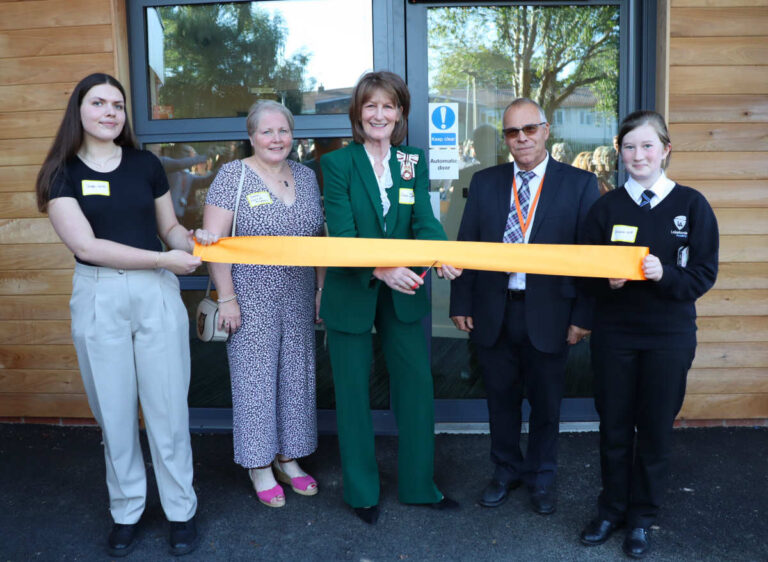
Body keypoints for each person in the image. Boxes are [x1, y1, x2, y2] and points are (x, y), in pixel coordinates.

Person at [35, 73, 215, 557]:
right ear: (80, 110)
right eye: (99, 103)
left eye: (118, 104)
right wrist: (162, 257)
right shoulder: (60, 174)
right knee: (115, 415)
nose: (110, 112)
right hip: (100, 297)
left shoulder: (145, 165)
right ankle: (127, 510)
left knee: (168, 412)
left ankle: (181, 511)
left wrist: (192, 242)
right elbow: (86, 246)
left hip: (156, 295)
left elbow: (169, 228)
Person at [320, 71, 462, 525]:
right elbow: (341, 234)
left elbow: (424, 218)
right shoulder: (338, 165)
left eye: (389, 106)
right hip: (353, 287)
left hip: (404, 290)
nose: (379, 114)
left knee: (416, 388)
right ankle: (362, 493)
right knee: (353, 392)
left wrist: (441, 255)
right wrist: (379, 269)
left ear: (400, 113)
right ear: (358, 113)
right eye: (371, 106)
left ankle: (420, 486)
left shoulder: (412, 162)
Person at [449, 98, 600, 515]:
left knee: (547, 404)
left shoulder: (579, 184)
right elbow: (469, 246)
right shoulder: (486, 182)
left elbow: (589, 258)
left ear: (546, 130)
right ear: (506, 138)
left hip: (551, 313)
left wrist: (583, 315)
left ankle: (542, 477)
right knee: (500, 400)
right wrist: (461, 300)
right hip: (494, 310)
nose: (522, 139)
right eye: (513, 132)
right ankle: (505, 471)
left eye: (529, 129)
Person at [578, 111, 718, 558]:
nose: (638, 155)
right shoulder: (606, 208)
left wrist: (666, 275)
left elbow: (703, 274)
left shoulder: (692, 205)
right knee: (614, 427)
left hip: (668, 337)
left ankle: (642, 517)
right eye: (630, 147)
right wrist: (607, 281)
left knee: (655, 429)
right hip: (615, 336)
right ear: (620, 154)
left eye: (647, 146)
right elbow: (584, 273)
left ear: (666, 149)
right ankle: (611, 509)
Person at [203, 100, 325, 509]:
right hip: (249, 297)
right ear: (251, 136)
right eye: (267, 131)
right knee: (255, 383)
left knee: (297, 378)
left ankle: (288, 458)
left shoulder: (307, 178)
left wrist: (321, 290)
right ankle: (258, 466)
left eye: (284, 131)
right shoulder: (232, 176)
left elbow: (320, 243)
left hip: (298, 295)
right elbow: (215, 245)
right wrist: (227, 299)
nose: (277, 139)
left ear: (293, 135)